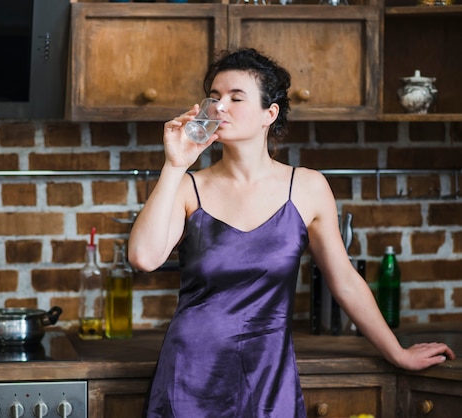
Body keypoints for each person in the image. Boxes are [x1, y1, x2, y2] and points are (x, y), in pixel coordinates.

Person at [127, 48, 455, 418]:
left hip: (268, 376)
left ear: (271, 113)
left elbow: (344, 279)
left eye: (236, 97)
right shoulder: (188, 187)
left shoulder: (307, 187)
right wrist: (173, 166)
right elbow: (144, 257)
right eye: (214, 98)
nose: (220, 108)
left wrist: (397, 352)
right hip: (189, 375)